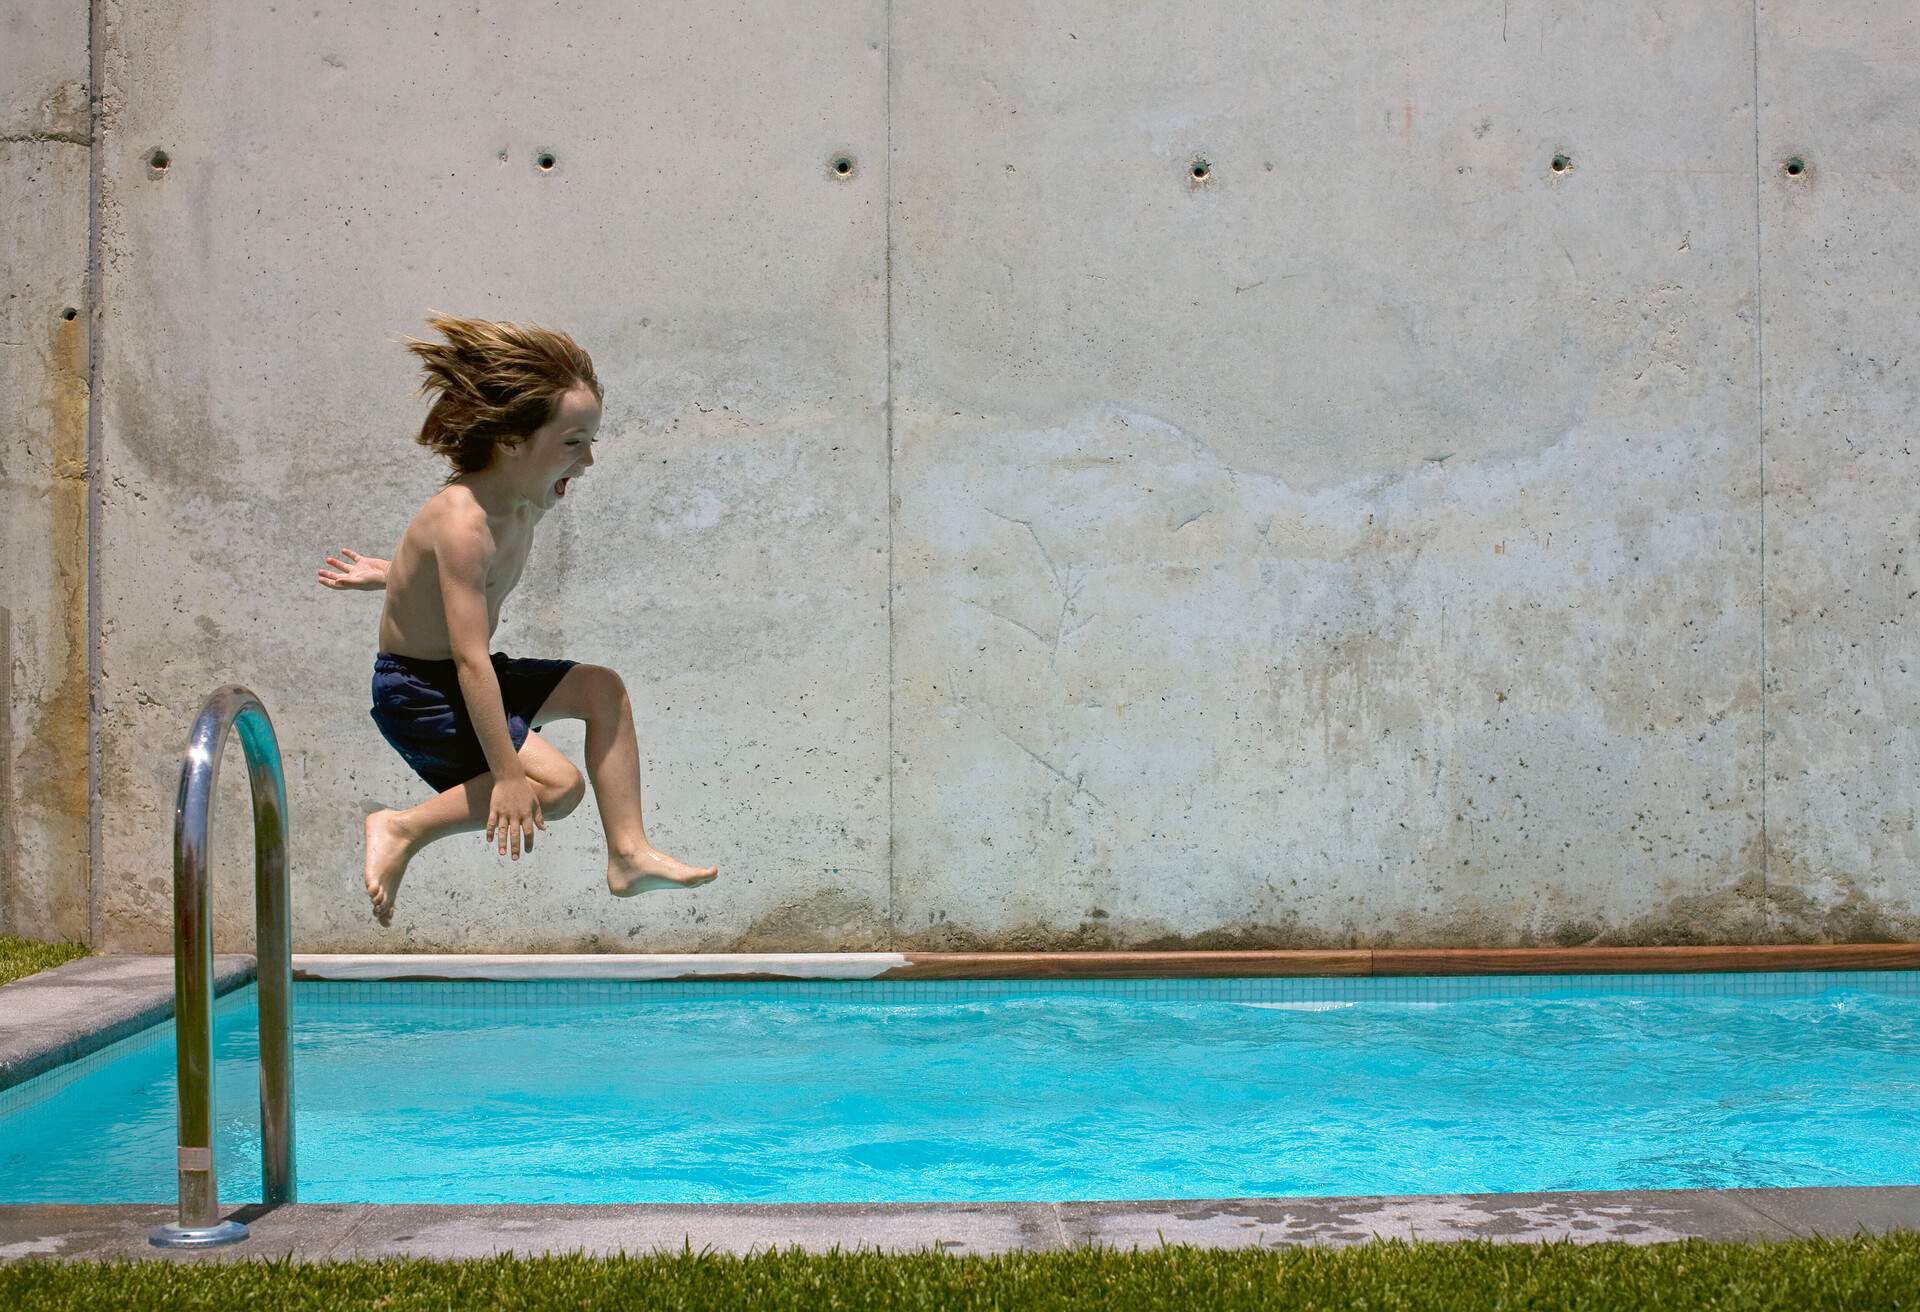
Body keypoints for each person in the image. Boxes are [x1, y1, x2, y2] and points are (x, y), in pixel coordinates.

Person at [318, 312, 718, 926]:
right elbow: (470, 659)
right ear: (509, 442)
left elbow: (447, 578)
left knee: (600, 689)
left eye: (590, 442)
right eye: (572, 443)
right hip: (418, 690)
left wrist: (395, 572)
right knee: (556, 789)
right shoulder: (464, 523)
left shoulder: (525, 498)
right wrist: (506, 775)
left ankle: (629, 855)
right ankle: (401, 828)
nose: (585, 463)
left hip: (451, 676)